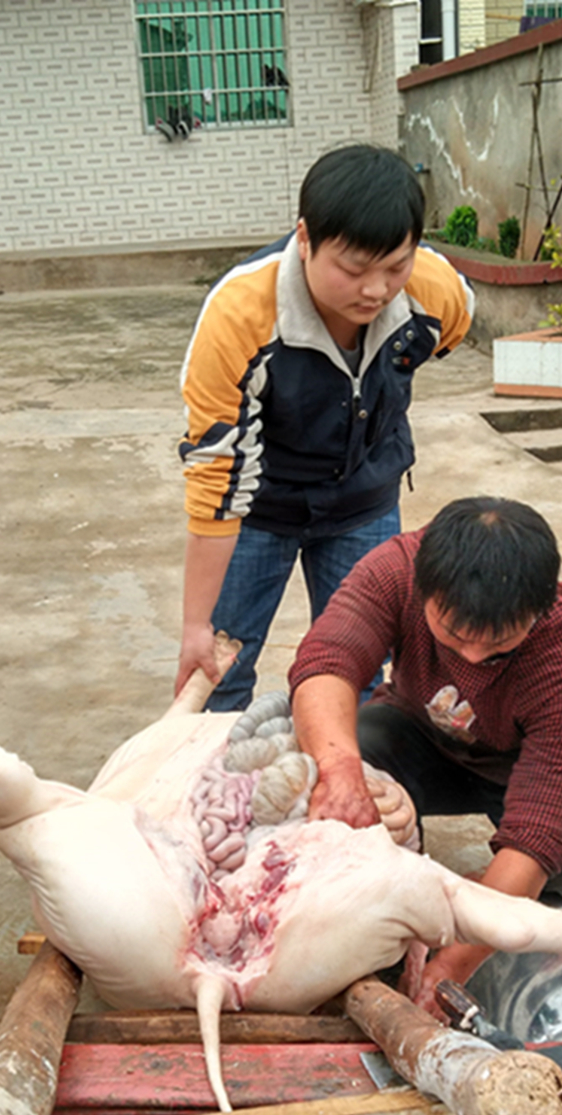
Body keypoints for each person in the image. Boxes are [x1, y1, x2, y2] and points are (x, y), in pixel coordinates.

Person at [289, 497, 562, 1010]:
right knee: (336, 755)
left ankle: (483, 886)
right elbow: (327, 661)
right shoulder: (395, 569)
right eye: (453, 636)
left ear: (539, 610)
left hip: (526, 765)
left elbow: (538, 832)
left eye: (499, 645)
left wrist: (458, 958)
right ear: (424, 588)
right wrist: (339, 771)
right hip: (421, 732)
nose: (471, 656)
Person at [176, 143, 474, 711]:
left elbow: (451, 331)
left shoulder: (433, 291)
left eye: (395, 266)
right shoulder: (238, 314)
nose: (376, 290)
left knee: (358, 672)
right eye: (353, 269)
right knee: (217, 671)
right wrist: (194, 626)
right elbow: (216, 476)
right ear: (305, 238)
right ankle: (212, 794)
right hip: (260, 508)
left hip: (364, 502)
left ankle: (349, 789)